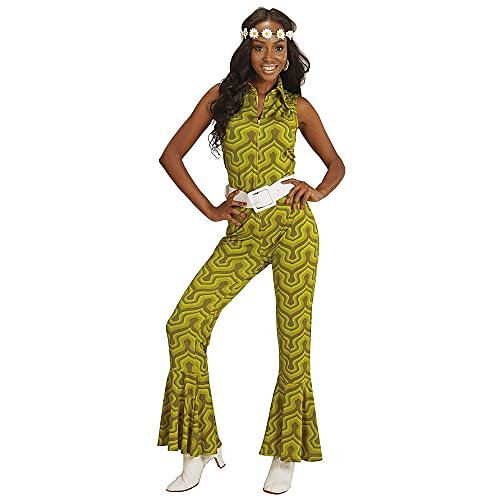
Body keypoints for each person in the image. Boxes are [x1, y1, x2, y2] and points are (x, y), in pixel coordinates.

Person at [156, 7, 345, 495]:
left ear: (289, 53)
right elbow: (171, 156)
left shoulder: (298, 107)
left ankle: (287, 453)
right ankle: (198, 445)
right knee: (184, 324)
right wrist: (211, 210)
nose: (269, 57)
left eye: (279, 48)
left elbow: (336, 164)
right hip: (244, 230)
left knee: (293, 343)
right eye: (260, 47)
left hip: (292, 227)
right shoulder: (220, 97)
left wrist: (316, 191)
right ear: (248, 49)